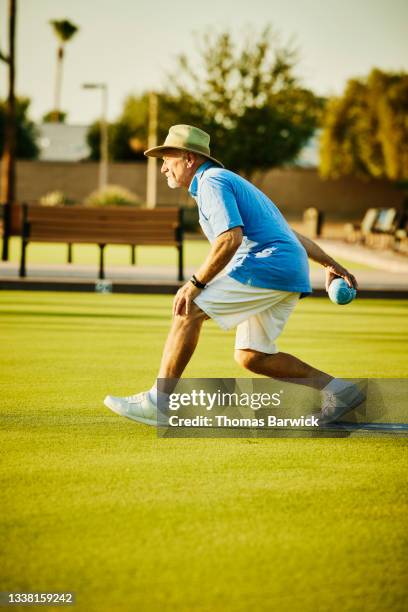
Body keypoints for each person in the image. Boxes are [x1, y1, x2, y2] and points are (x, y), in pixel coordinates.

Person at [104, 125, 364, 426]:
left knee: (188, 309)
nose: (162, 168)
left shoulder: (212, 181)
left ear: (189, 159)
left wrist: (195, 284)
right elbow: (289, 235)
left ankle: (158, 402)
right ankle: (341, 391)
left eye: (168, 158)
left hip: (267, 266)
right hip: (286, 268)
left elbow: (230, 238)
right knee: (252, 355)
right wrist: (330, 264)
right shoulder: (223, 182)